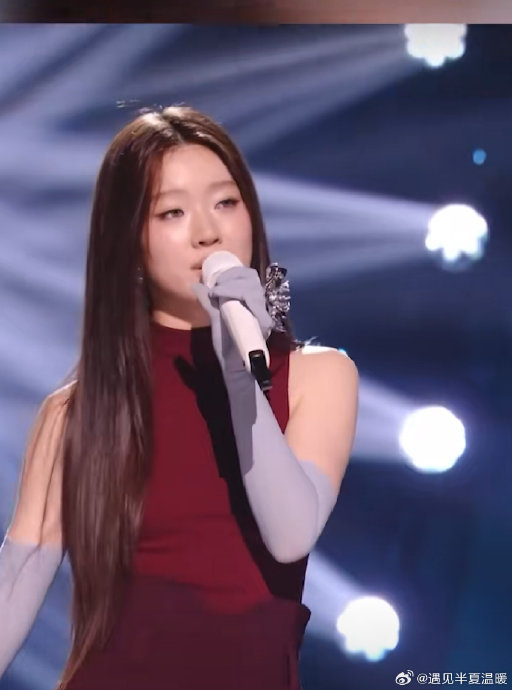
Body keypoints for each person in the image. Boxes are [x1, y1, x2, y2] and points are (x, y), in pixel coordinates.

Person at [0, 105, 359, 690]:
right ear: (129, 242)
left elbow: (291, 533)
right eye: (172, 211)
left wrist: (240, 374)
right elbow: (19, 571)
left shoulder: (319, 376)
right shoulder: (77, 411)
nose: (208, 232)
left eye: (226, 202)